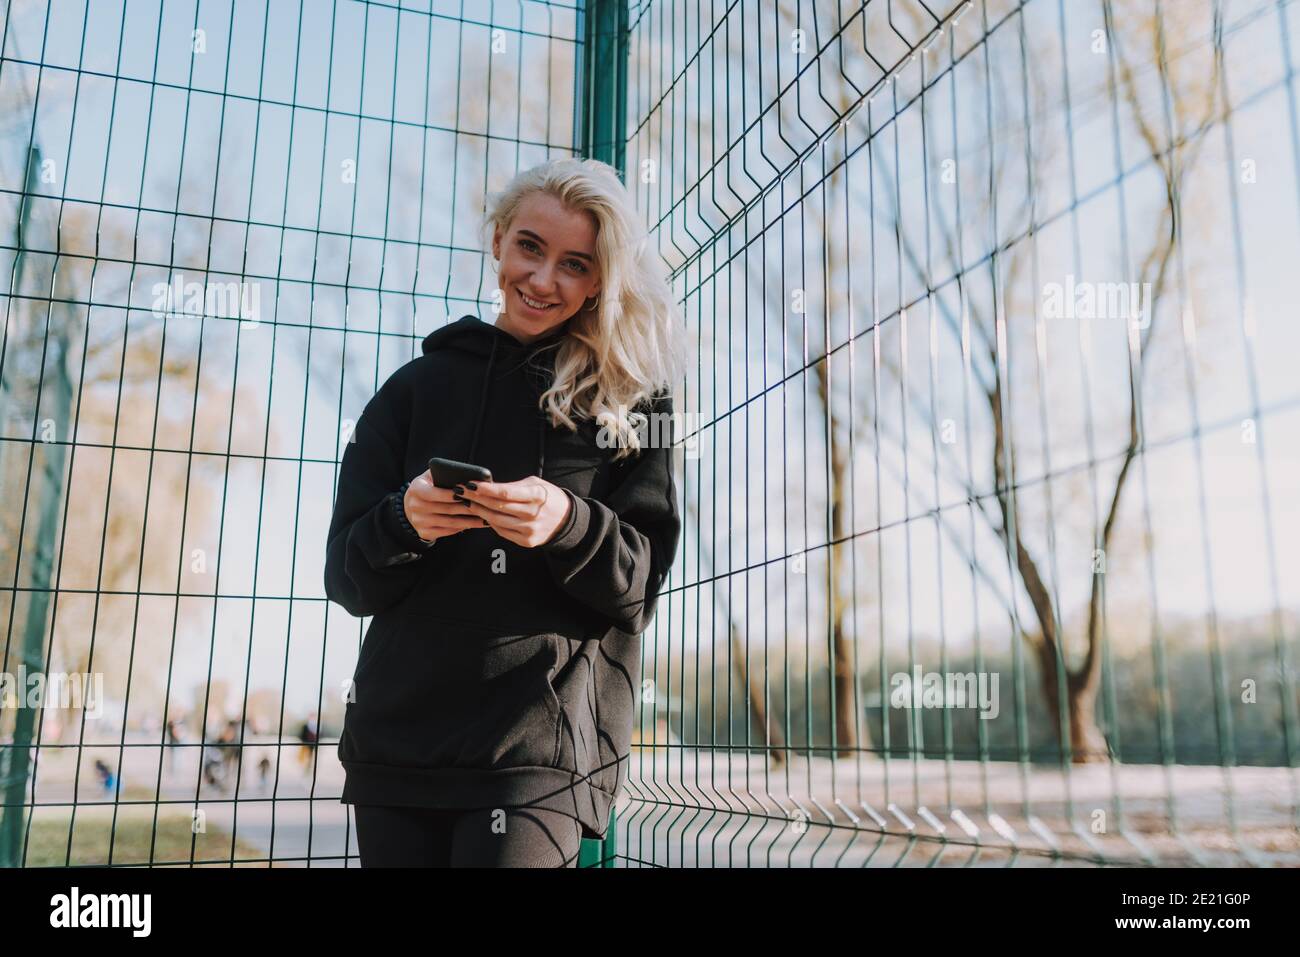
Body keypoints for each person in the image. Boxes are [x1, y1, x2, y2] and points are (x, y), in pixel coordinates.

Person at [324, 157, 687, 867]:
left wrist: (567, 523)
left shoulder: (632, 404)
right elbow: (346, 578)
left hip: (536, 760)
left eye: (575, 264)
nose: (544, 279)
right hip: (398, 750)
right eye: (530, 246)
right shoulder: (413, 391)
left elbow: (638, 586)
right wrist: (406, 521)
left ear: (600, 282)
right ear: (497, 241)